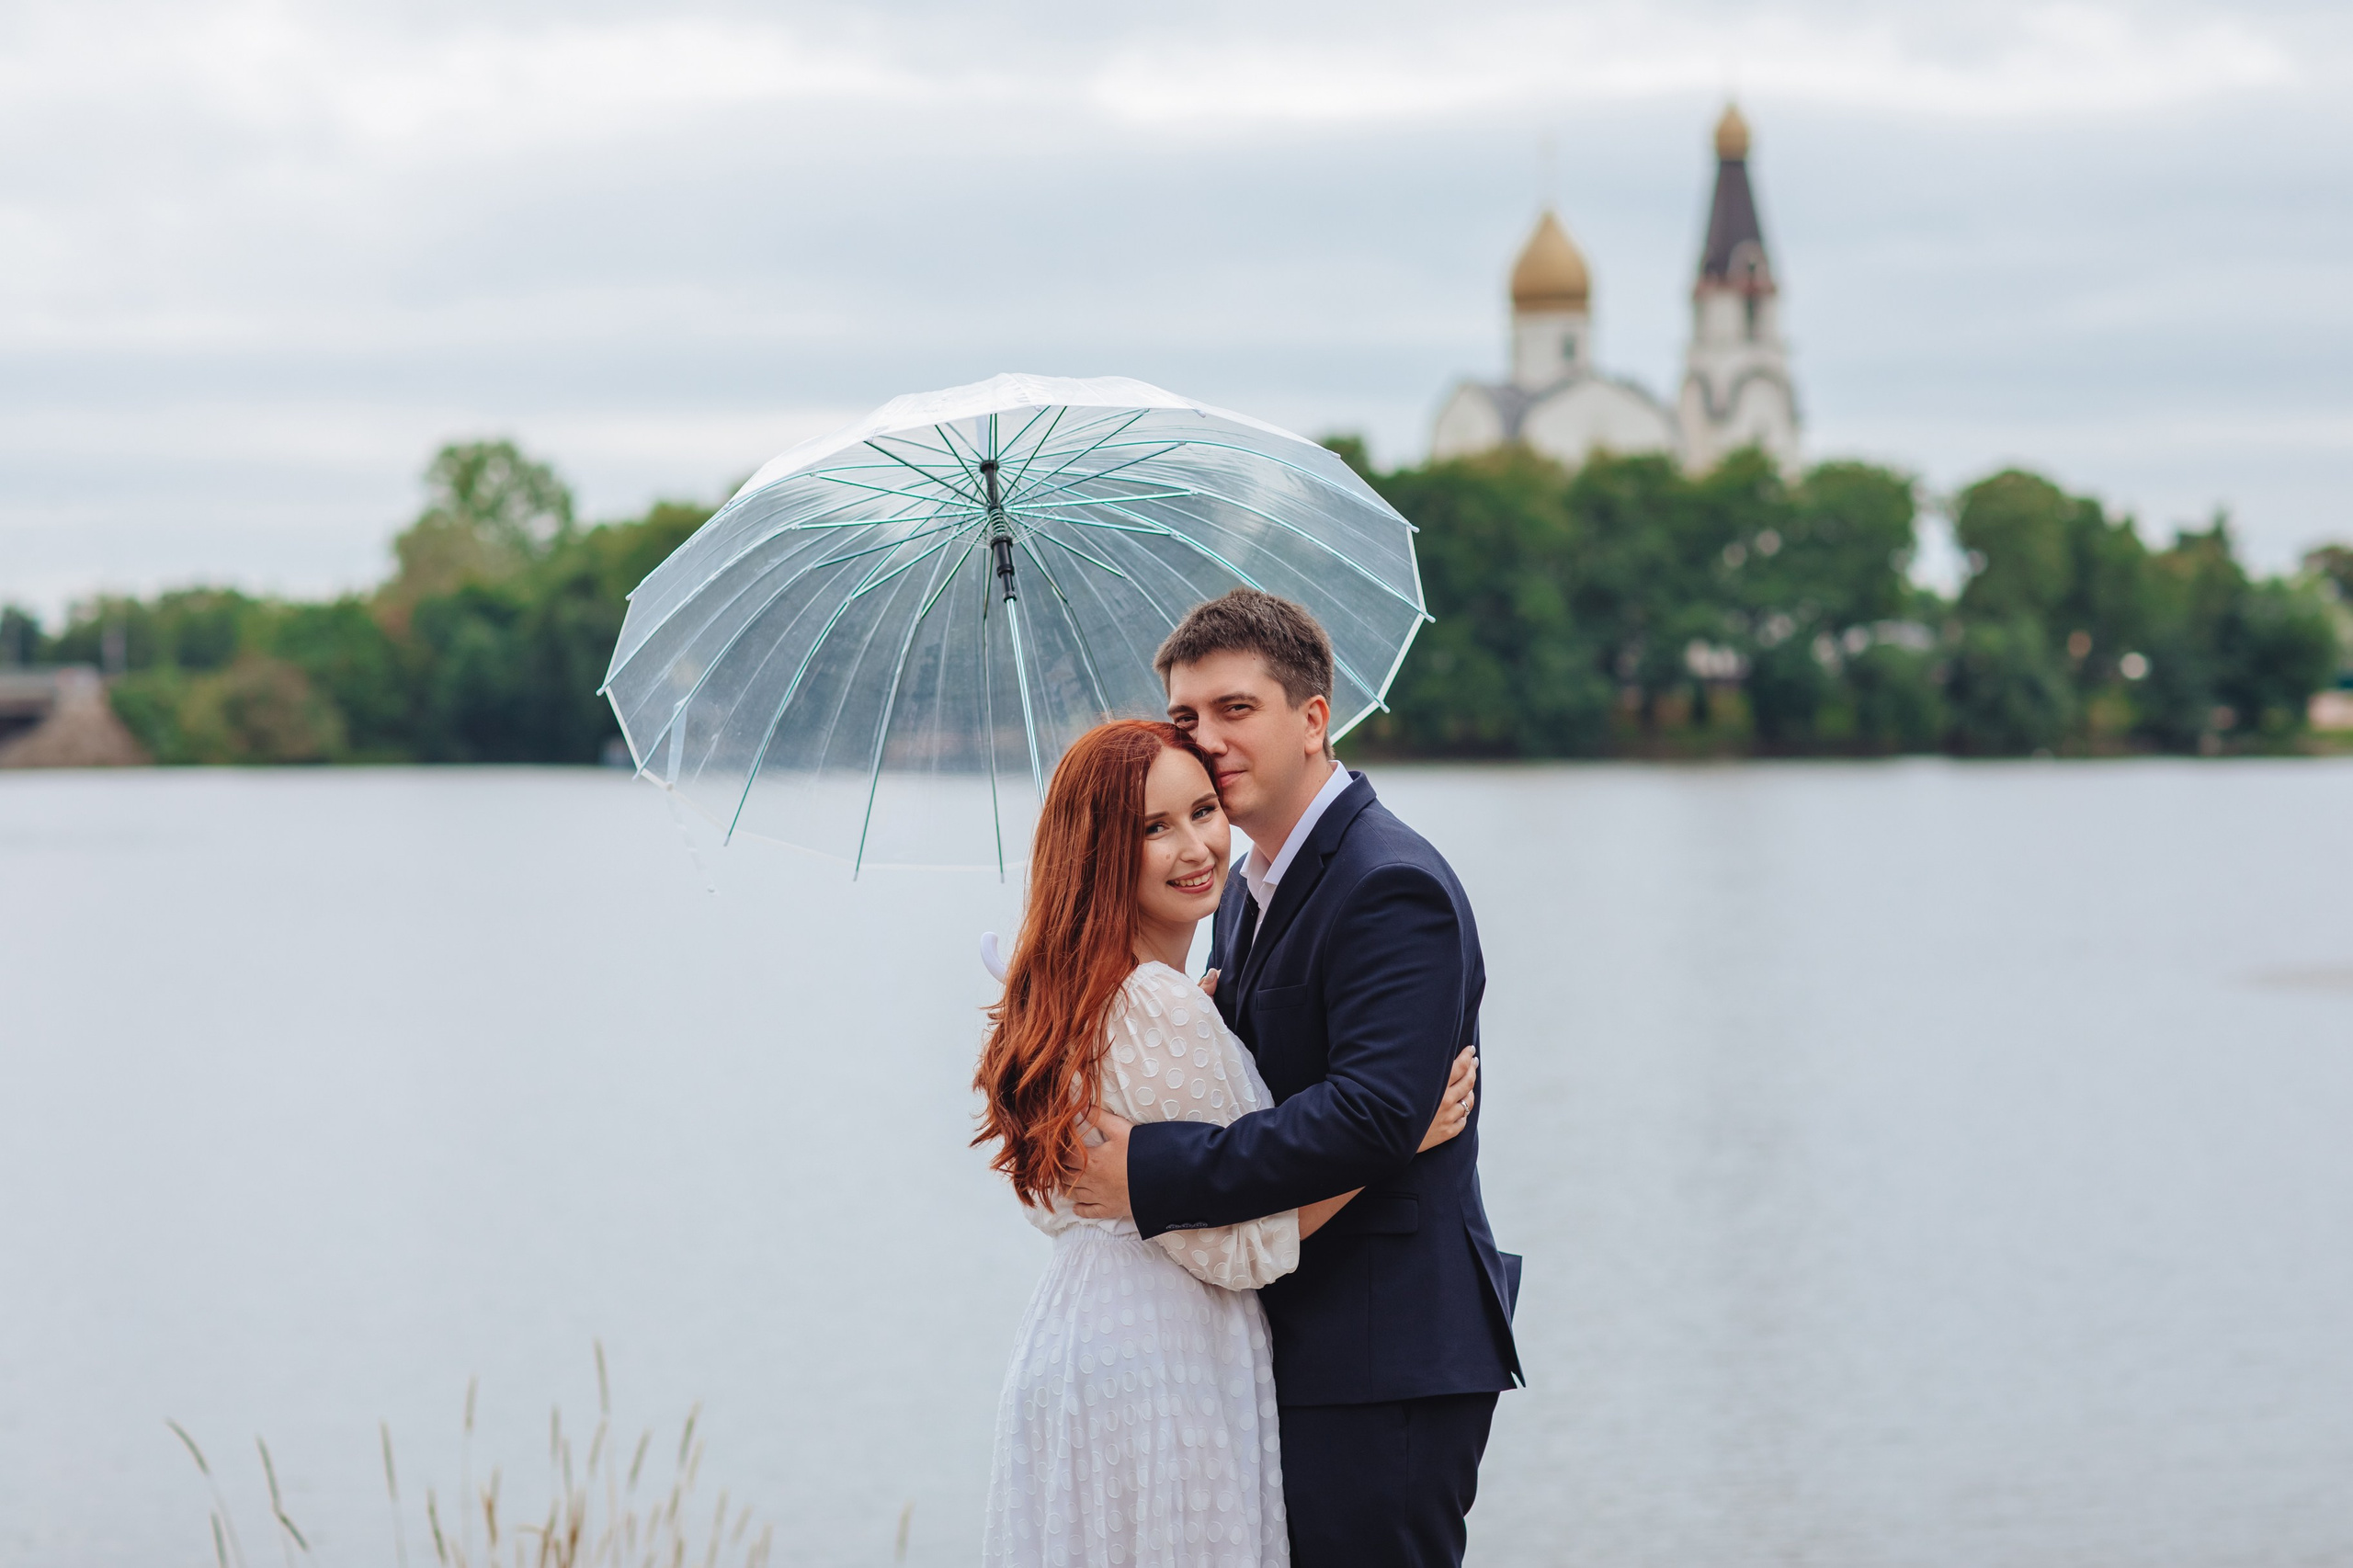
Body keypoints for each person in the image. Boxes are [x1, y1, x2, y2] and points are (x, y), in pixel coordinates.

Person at [1068, 589, 1523, 1568]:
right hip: (1282, 1338)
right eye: (1187, 717)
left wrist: (1148, 1173)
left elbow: (1373, 1111)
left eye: (1237, 708)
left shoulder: (1387, 880)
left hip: (1383, 1351)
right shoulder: (1243, 887)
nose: (1208, 738)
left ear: (1313, 718)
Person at [975, 719, 1479, 1568]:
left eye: (1204, 810)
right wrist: (1390, 1142)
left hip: (1075, 1341)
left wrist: (1202, 1021)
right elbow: (1241, 1249)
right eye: (1152, 828)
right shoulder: (1157, 1008)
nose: (1197, 845)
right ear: (1099, 853)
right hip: (1167, 1356)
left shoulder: (1075, 999)